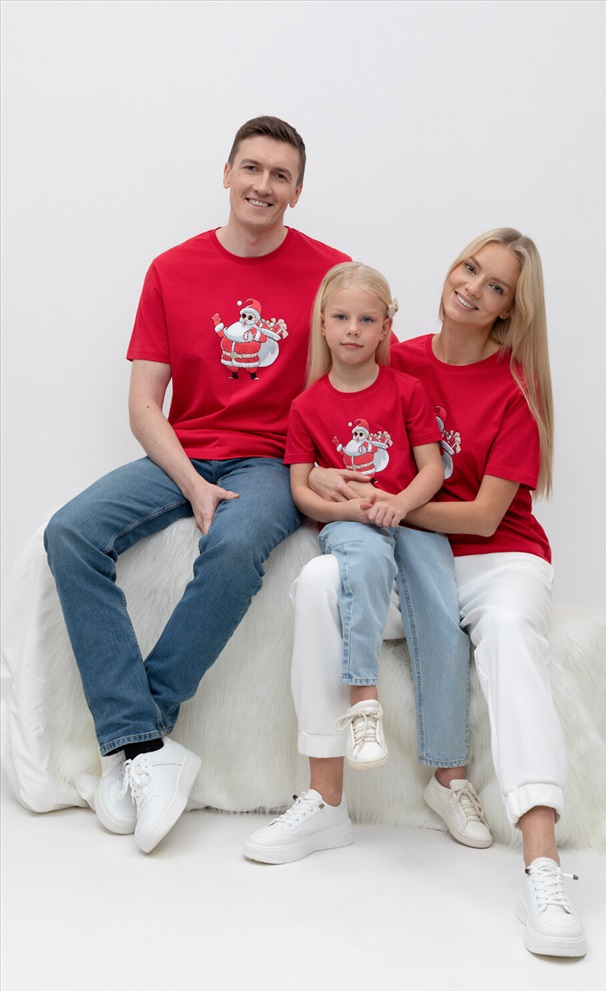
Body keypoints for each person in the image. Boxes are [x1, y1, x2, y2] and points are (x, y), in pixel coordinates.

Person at [246, 228, 587, 959]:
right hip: (406, 555)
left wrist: (384, 502)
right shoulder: (393, 358)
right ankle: (324, 800)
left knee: (509, 634)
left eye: (495, 287)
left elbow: (483, 516)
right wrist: (328, 482)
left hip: (497, 560)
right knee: (319, 581)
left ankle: (542, 863)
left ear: (509, 309)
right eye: (470, 267)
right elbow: (328, 438)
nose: (472, 287)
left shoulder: (516, 389)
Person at [43, 115, 349, 854]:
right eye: (252, 168)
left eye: (280, 175)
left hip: (273, 460)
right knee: (70, 533)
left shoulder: (330, 274)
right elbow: (144, 405)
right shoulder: (171, 269)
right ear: (227, 174)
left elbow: (362, 373)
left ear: (297, 191)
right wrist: (191, 482)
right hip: (181, 452)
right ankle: (146, 748)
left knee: (236, 546)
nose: (263, 185)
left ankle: (137, 733)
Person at [243, 261, 492, 863]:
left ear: (385, 328)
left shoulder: (407, 390)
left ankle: (450, 779)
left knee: (443, 620)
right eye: (341, 318)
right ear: (322, 325)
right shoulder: (306, 405)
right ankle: (363, 705)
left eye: (366, 319)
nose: (352, 329)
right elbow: (300, 489)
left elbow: (431, 469)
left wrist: (400, 505)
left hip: (410, 522)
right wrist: (348, 512)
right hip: (354, 524)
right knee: (358, 569)